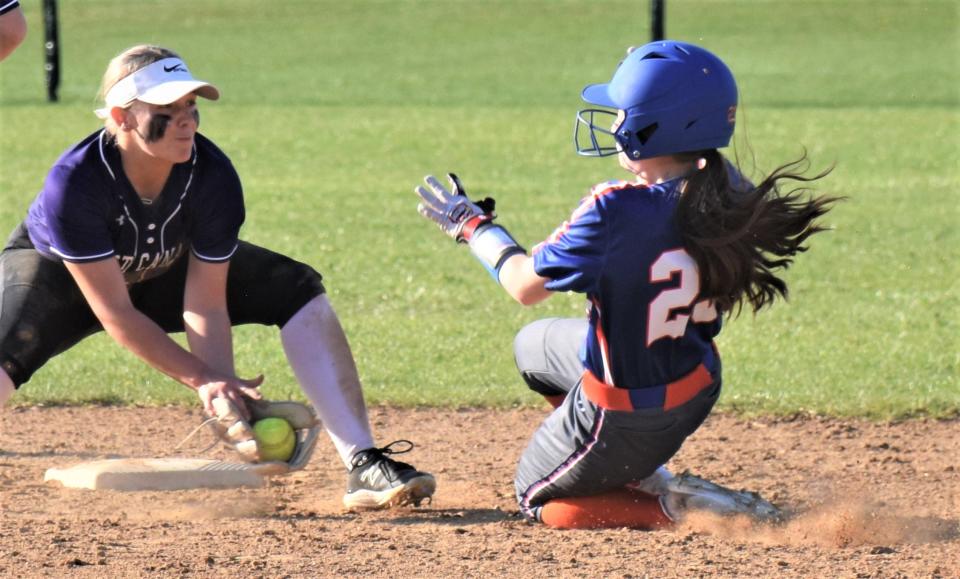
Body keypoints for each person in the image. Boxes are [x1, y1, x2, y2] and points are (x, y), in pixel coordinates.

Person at [416, 40, 837, 529]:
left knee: (535, 496)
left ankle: (679, 508)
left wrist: (473, 227)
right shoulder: (732, 191)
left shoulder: (615, 209)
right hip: (695, 385)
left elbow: (523, 286)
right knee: (532, 349)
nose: (614, 123)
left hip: (626, 412)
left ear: (651, 128)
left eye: (622, 113)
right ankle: (628, 468)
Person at [0, 44, 435, 510]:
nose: (186, 119)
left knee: (294, 287)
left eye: (190, 106)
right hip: (59, 278)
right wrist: (203, 380)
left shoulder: (211, 175)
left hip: (162, 270)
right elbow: (117, 313)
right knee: (7, 349)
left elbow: (205, 302)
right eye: (167, 109)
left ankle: (364, 462)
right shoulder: (76, 182)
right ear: (121, 117)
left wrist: (227, 397)